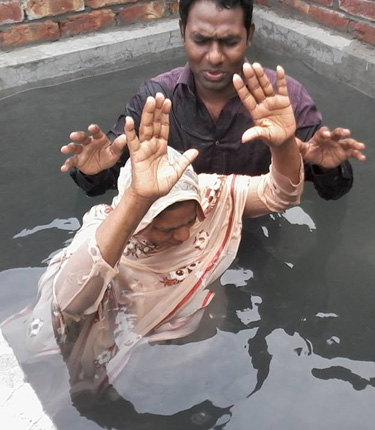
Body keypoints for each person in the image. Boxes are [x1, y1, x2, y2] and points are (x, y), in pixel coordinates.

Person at [3, 63, 305, 396]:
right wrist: (138, 199)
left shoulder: (210, 194)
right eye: (163, 230)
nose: (181, 235)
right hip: (139, 358)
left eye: (189, 222)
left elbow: (282, 194)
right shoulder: (107, 234)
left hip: (193, 342)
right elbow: (70, 305)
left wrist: (284, 144)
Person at [60, 0, 365, 199]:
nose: (215, 57)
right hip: (177, 228)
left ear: (250, 35)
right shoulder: (155, 98)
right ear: (183, 33)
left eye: (230, 41)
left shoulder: (285, 99)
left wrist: (325, 167)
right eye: (201, 40)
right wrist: (93, 170)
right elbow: (113, 181)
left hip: (253, 220)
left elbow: (333, 191)